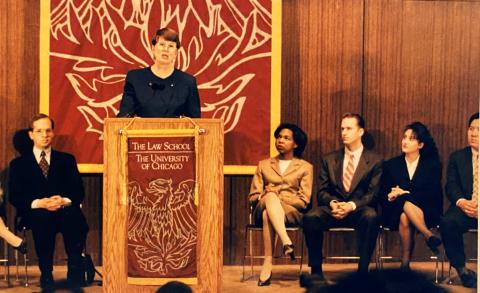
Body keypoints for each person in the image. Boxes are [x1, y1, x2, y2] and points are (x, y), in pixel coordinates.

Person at [8, 114, 89, 289]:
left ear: (53, 133)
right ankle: (46, 274)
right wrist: (39, 203)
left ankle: (74, 271)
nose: (44, 135)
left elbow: (78, 191)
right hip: (35, 213)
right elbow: (14, 195)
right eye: (39, 131)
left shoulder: (67, 160)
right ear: (31, 135)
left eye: (48, 130)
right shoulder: (18, 164)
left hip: (63, 210)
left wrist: (64, 200)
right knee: (42, 219)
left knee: (75, 217)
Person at [301, 113, 382, 284]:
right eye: (342, 128)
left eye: (349, 128)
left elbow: (373, 193)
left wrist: (351, 206)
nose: (344, 132)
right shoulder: (329, 159)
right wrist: (334, 204)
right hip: (334, 209)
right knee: (310, 217)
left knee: (371, 216)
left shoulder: (375, 160)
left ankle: (362, 272)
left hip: (358, 209)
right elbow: (321, 192)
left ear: (360, 132)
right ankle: (316, 272)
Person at [248, 123, 313, 286]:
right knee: (269, 199)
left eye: (286, 138)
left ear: (296, 144)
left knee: (267, 214)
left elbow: (304, 201)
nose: (280, 141)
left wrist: (279, 196)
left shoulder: (305, 167)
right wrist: (267, 194)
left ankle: (267, 264)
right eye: (279, 137)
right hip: (262, 205)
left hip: (291, 212)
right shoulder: (263, 165)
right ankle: (286, 241)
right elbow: (253, 197)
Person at [380, 122, 443, 271]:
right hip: (393, 211)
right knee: (402, 211)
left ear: (420, 144)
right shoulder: (391, 165)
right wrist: (391, 195)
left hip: (426, 210)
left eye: (411, 138)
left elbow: (432, 193)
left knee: (405, 214)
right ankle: (428, 235)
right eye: (404, 137)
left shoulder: (432, 165)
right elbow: (382, 192)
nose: (405, 141)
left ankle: (405, 263)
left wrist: (405, 193)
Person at [117, 27, 201, 118]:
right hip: (143, 132)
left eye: (171, 46)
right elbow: (124, 117)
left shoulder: (188, 81)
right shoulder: (135, 78)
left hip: (177, 132)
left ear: (176, 52)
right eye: (162, 44)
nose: (166, 49)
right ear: (153, 48)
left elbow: (195, 122)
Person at [440, 112, 479, 288]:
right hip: (465, 206)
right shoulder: (458, 157)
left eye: (479, 129)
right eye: (471, 128)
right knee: (447, 221)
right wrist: (462, 202)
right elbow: (451, 185)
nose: (474, 133)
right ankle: (462, 269)